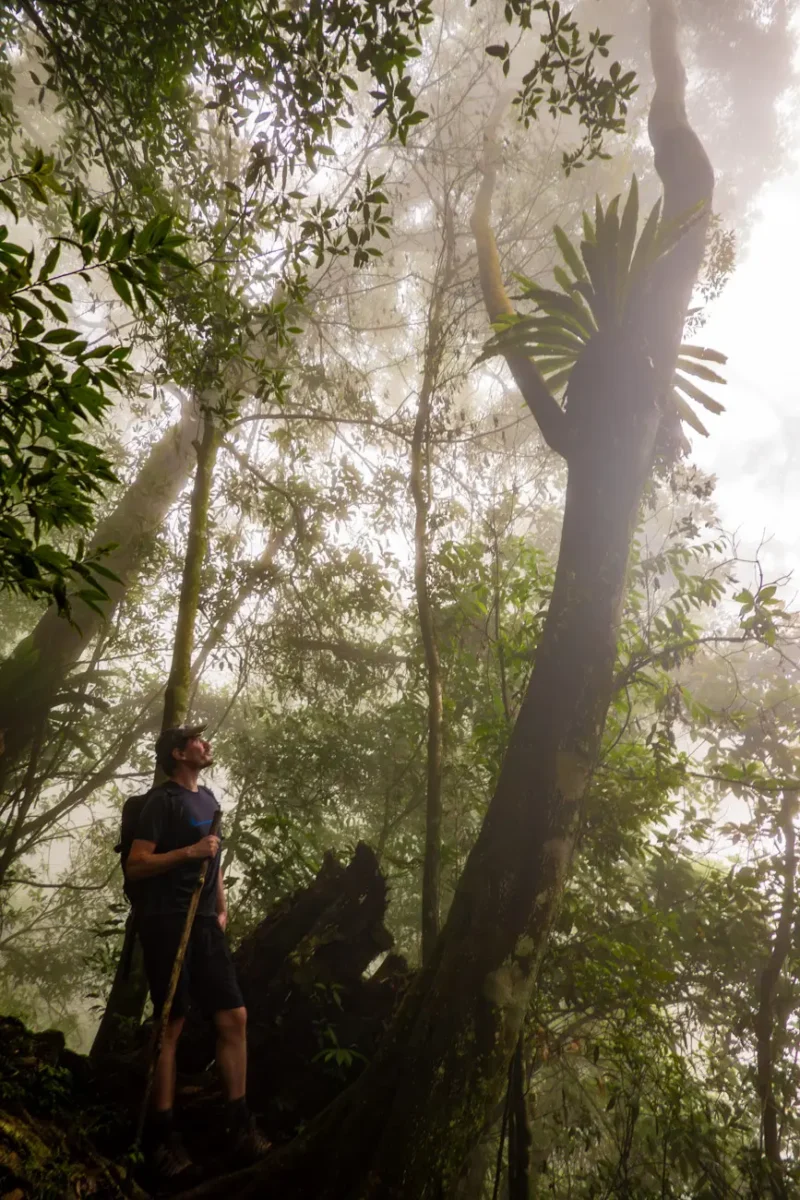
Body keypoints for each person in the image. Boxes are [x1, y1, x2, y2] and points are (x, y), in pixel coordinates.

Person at [126, 723, 270, 1182]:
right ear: (177, 753)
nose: (206, 744)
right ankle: (163, 1140)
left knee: (234, 1017)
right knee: (171, 1023)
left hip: (206, 924)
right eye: (196, 740)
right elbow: (136, 863)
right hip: (169, 922)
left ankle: (239, 1125)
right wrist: (188, 852)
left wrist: (222, 908)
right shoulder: (159, 802)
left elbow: (215, 862)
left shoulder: (208, 800)